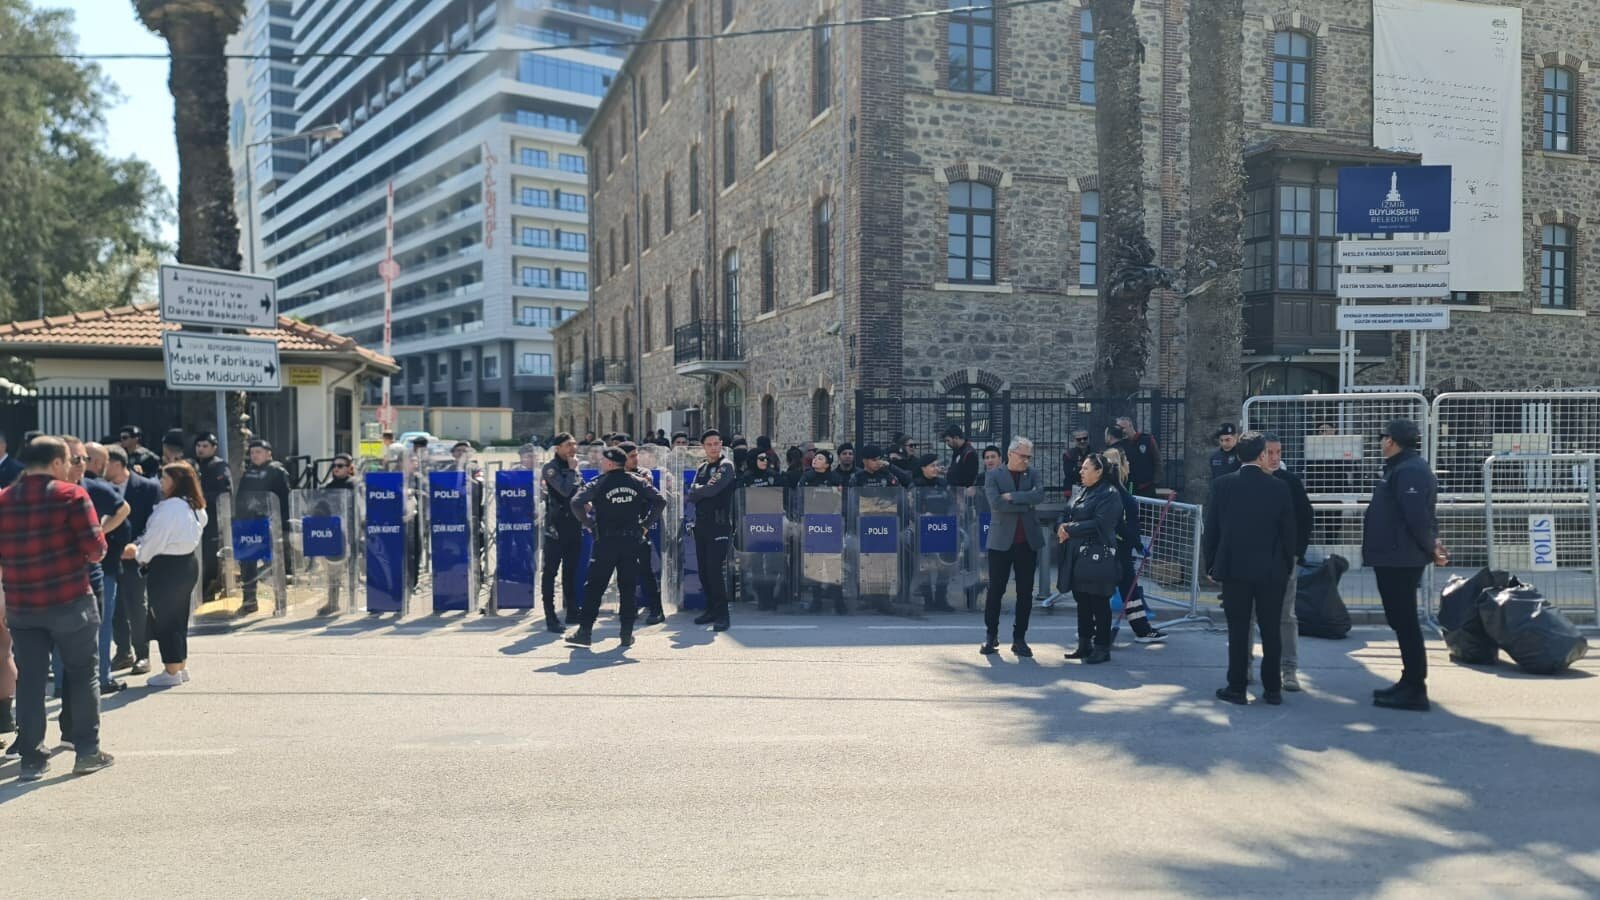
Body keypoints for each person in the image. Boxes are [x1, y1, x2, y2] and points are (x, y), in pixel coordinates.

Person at [0, 436, 113, 781]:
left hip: (22, 603)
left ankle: (32, 758)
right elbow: (96, 549)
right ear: (55, 463)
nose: (71, 468)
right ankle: (86, 751)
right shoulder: (72, 496)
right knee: (82, 674)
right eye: (68, 462)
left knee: (32, 681)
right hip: (70, 601)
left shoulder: (3, 500)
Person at [1203, 431, 1298, 706]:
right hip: (1272, 570)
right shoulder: (1279, 487)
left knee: (1238, 629)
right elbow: (1288, 532)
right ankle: (1272, 689)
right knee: (1271, 628)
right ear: (1261, 455)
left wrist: (1211, 564)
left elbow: (1213, 530)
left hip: (1235, 569)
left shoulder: (1222, 485)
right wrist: (1286, 562)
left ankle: (1237, 686)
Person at [1363, 418, 1442, 712]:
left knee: (1405, 622)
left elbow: (1417, 518)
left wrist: (1431, 547)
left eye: (1384, 436)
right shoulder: (1402, 468)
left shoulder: (1409, 470)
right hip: (1394, 557)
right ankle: (1409, 681)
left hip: (1400, 559)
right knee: (1401, 621)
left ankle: (1415, 688)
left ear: (1392, 441)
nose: (1381, 442)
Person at [565, 448, 666, 647]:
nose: (601, 463)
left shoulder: (599, 482)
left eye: (604, 461)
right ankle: (626, 634)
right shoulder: (637, 481)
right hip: (631, 542)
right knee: (627, 588)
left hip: (606, 543)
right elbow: (660, 501)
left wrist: (590, 525)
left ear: (611, 463)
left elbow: (576, 502)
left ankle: (585, 632)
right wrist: (645, 525)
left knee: (595, 587)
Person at [130, 463, 206, 687]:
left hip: (167, 566)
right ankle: (179, 665)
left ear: (176, 481)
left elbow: (154, 539)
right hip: (188, 563)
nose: (161, 481)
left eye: (165, 477)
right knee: (178, 617)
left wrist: (140, 556)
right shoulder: (192, 505)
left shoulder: (169, 508)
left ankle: (171, 669)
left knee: (165, 619)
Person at [73, 441, 131, 694]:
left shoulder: (96, 487)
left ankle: (102, 676)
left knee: (100, 624)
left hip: (101, 566)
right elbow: (123, 510)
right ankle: (98, 677)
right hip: (90, 565)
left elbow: (123, 509)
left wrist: (101, 532)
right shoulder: (89, 487)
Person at [980, 437, 1046, 657]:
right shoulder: (993, 475)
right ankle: (991, 636)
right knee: (995, 591)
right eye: (1023, 456)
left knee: (1025, 592)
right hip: (1000, 542)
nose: (1026, 460)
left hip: (1027, 542)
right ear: (1010, 454)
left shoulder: (1033, 473)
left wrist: (1013, 497)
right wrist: (1024, 503)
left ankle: (1020, 639)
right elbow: (996, 504)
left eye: (1029, 456)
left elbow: (1040, 495)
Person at [1056, 453, 1124, 664]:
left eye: (1086, 468)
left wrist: (1070, 529)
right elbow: (1067, 512)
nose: (1081, 472)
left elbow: (1101, 524)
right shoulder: (1083, 491)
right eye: (1082, 468)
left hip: (1097, 555)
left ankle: (1102, 646)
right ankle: (1084, 644)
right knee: (1082, 600)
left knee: (1098, 601)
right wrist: (1061, 526)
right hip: (1077, 554)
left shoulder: (1110, 494)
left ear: (1099, 471)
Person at [1260, 434, 1313, 691]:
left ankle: (1289, 669)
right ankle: (1244, 665)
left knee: (1285, 615)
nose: (1274, 458)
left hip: (1284, 560)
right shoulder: (1248, 480)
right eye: (1269, 452)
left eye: (1278, 452)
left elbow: (1305, 518)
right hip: (1254, 560)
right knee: (1248, 616)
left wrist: (1296, 554)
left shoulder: (1289, 482)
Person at [1101, 448, 1167, 644]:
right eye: (1126, 460)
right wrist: (1137, 544)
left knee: (1129, 590)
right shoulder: (1115, 492)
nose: (1129, 464)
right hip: (1118, 549)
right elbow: (1120, 523)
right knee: (1121, 588)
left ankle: (1141, 629)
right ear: (1119, 464)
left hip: (1120, 547)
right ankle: (1098, 630)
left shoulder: (1117, 488)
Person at [105, 447, 159, 675]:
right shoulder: (102, 487)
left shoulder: (147, 487)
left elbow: (154, 523)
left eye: (103, 463)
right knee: (114, 608)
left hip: (136, 555)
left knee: (137, 605)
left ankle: (142, 654)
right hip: (108, 556)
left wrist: (137, 546)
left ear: (117, 464)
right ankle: (123, 651)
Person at [688, 429, 738, 631]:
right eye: (709, 444)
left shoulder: (726, 466)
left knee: (714, 570)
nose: (713, 447)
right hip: (702, 525)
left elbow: (711, 489)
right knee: (703, 571)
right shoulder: (701, 468)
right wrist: (700, 490)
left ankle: (722, 615)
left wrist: (700, 491)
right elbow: (692, 494)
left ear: (721, 445)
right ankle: (710, 609)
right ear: (703, 447)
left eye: (716, 443)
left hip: (720, 524)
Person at [236, 439, 292, 615]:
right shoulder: (249, 472)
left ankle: (280, 602)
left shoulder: (277, 471)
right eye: (252, 452)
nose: (254, 455)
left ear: (268, 453)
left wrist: (283, 526)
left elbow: (285, 499)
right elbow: (241, 498)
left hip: (271, 525)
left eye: (258, 452)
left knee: (274, 565)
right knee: (247, 564)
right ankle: (250, 601)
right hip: (249, 524)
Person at [539, 433, 583, 632]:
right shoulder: (551, 469)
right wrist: (573, 471)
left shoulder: (573, 466)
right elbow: (565, 491)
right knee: (550, 572)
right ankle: (550, 616)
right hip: (556, 527)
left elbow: (579, 491)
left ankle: (572, 610)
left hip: (574, 525)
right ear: (557, 448)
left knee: (571, 570)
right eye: (568, 445)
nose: (572, 449)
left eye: (574, 445)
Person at [622, 442, 666, 626]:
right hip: (618, 532)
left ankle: (656, 610)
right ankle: (628, 608)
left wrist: (646, 524)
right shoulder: (612, 475)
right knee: (623, 573)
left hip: (638, 530)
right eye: (631, 456)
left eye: (636, 455)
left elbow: (657, 500)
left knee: (647, 572)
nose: (636, 459)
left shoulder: (643, 474)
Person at [191, 433, 231, 603]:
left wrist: (200, 498)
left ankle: (209, 587)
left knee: (209, 554)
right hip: (193, 517)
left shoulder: (219, 466)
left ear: (214, 448)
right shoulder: (192, 464)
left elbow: (225, 492)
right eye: (198, 445)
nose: (201, 449)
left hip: (212, 517)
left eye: (205, 446)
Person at [1110, 416, 1161, 497]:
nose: (1121, 431)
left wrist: (1155, 481)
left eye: (1123, 428)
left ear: (1130, 426)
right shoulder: (1120, 444)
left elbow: (1157, 460)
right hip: (1128, 488)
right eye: (1119, 429)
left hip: (1146, 487)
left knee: (1147, 509)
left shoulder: (1147, 440)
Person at [1061, 430, 1091, 495]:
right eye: (1079, 439)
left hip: (1091, 486)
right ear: (1075, 440)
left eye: (1085, 438)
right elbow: (1068, 473)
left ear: (1088, 439)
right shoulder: (1069, 455)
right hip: (1073, 486)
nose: (1082, 441)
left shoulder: (1095, 453)